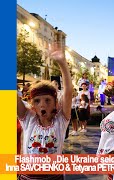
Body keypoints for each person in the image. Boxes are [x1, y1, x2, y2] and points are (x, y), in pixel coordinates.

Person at [17, 45, 72, 179]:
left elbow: (68, 92)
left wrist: (62, 64)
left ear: (56, 103)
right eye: (37, 101)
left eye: (47, 100)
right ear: (32, 106)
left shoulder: (61, 121)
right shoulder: (28, 119)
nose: (42, 105)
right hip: (28, 177)